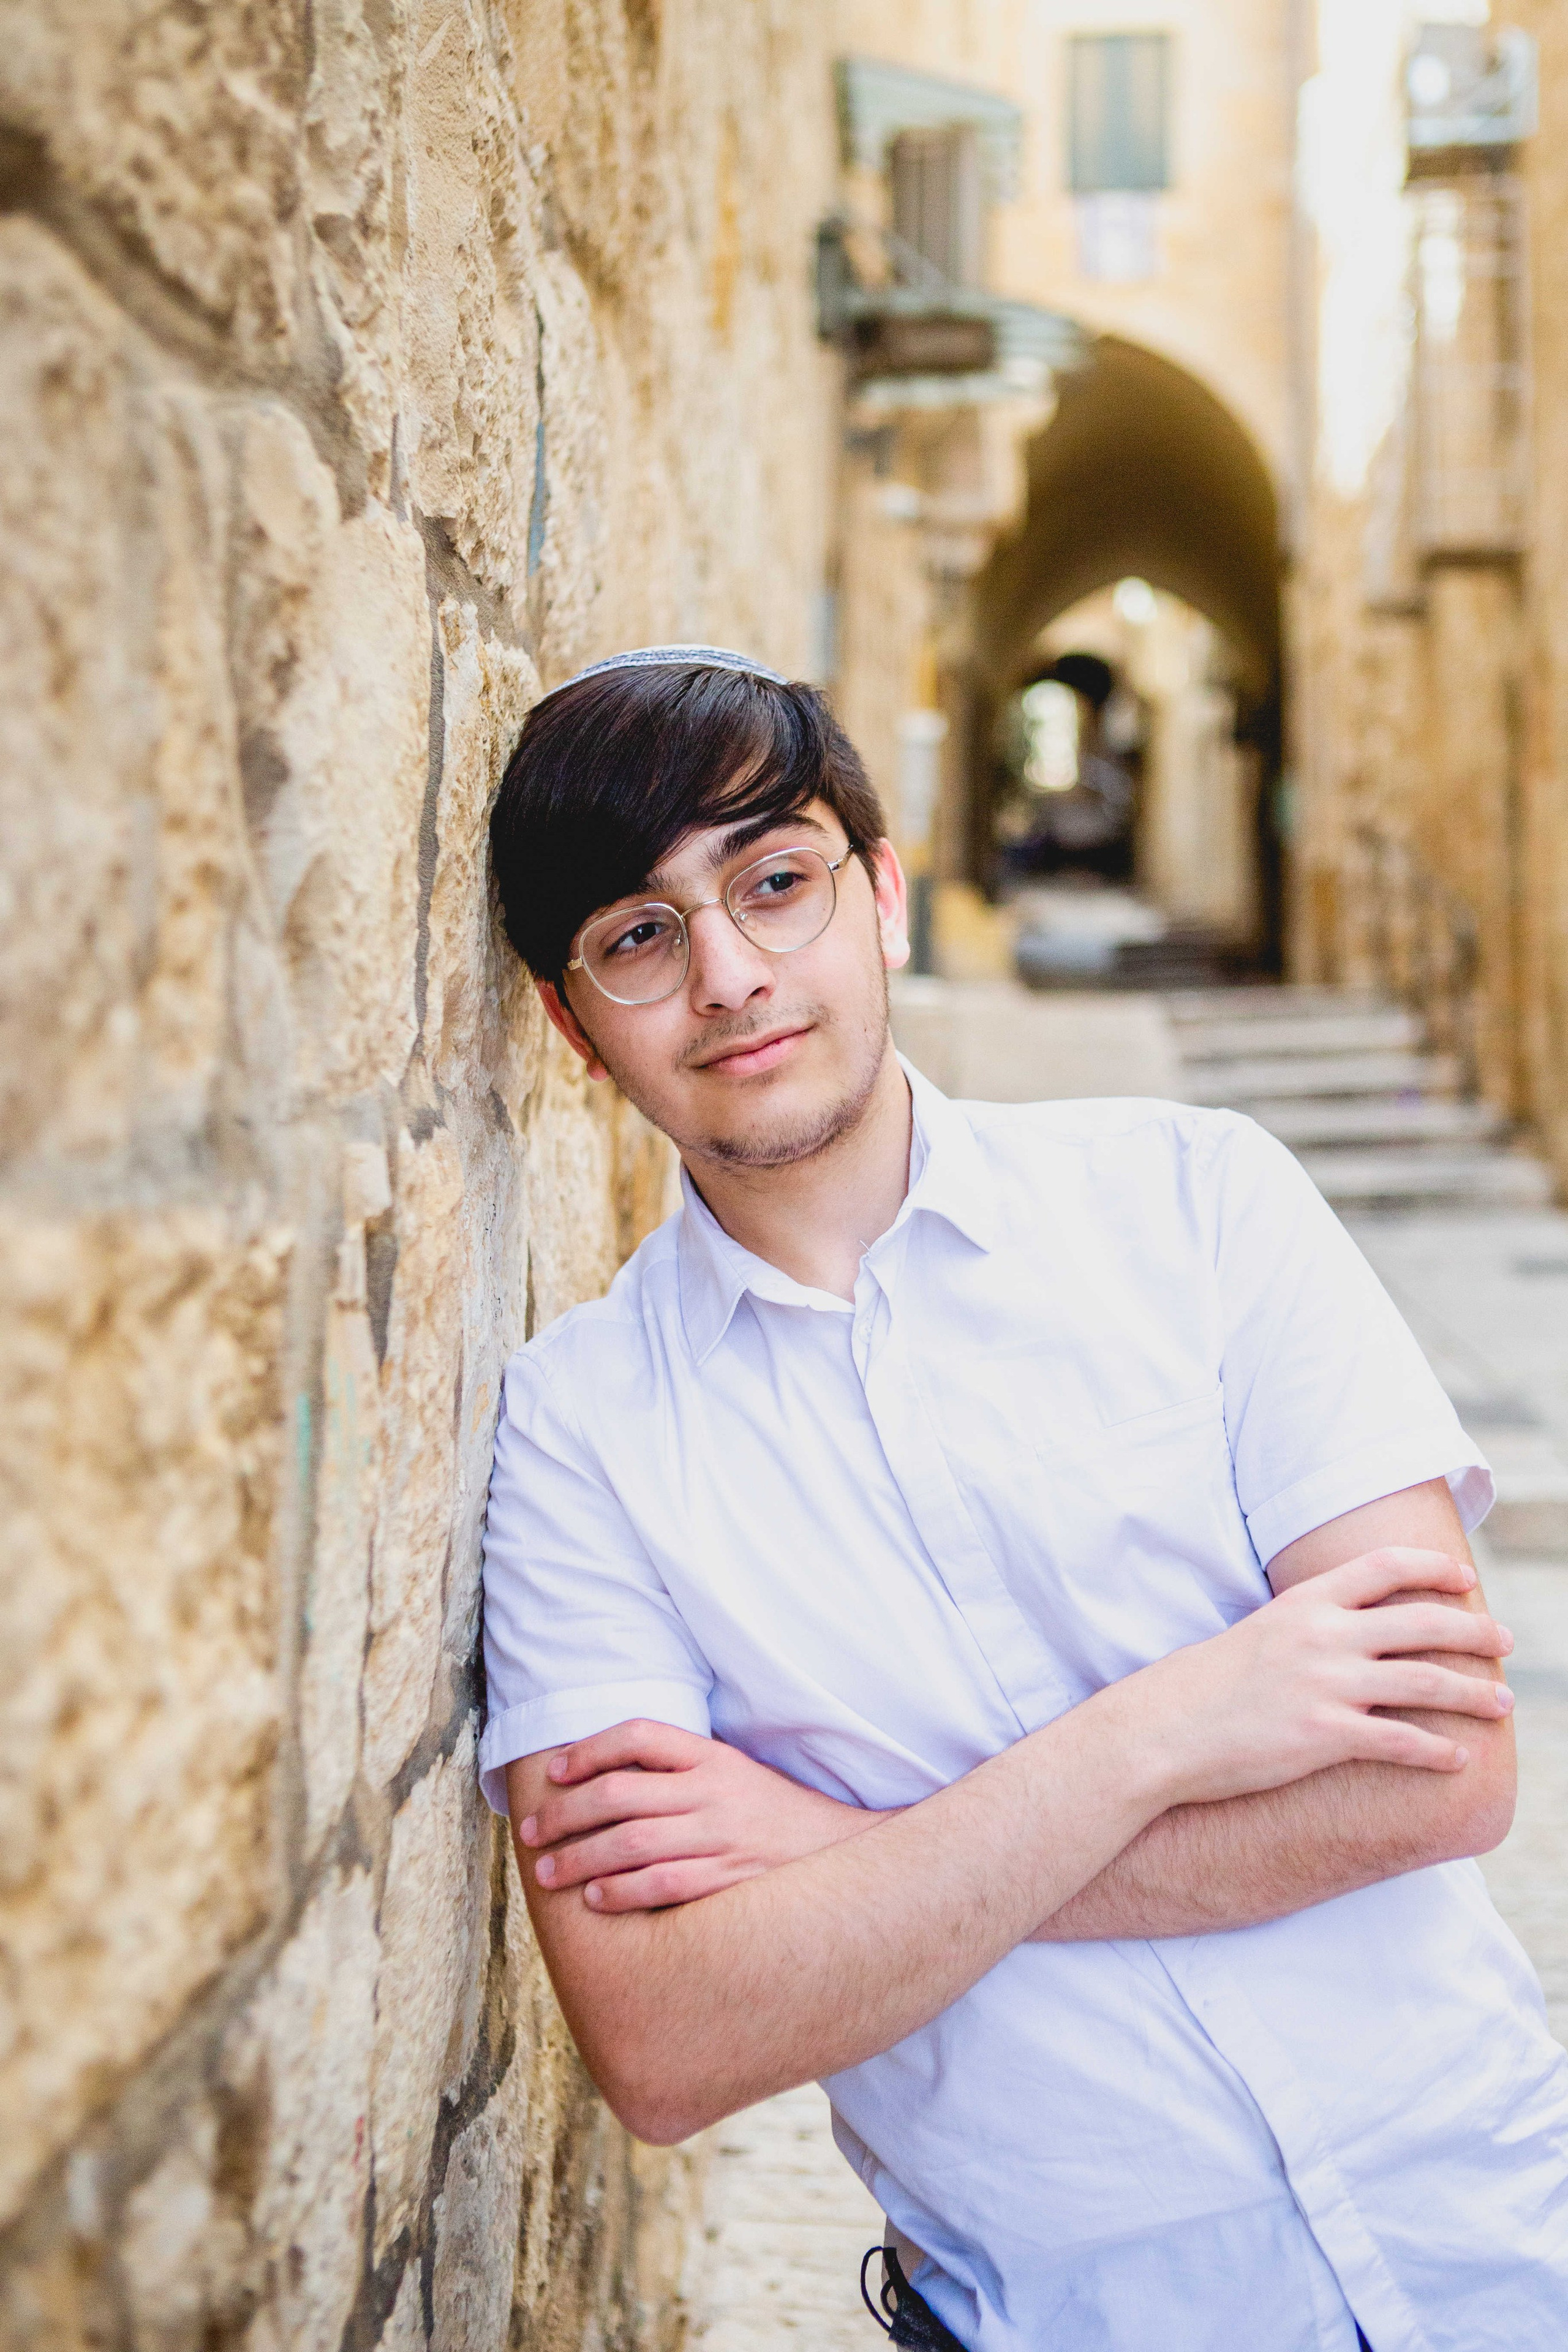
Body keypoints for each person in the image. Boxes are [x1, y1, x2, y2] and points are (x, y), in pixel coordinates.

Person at [480, 647, 1568, 2352]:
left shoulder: (1203, 1206)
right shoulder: (577, 1436)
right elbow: (668, 2045)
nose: (732, 977)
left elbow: (1440, 1778)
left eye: (776, 884)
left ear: (885, 899)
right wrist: (1170, 1726)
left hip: (1501, 2242)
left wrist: (844, 1859)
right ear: (570, 1023)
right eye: (638, 936)